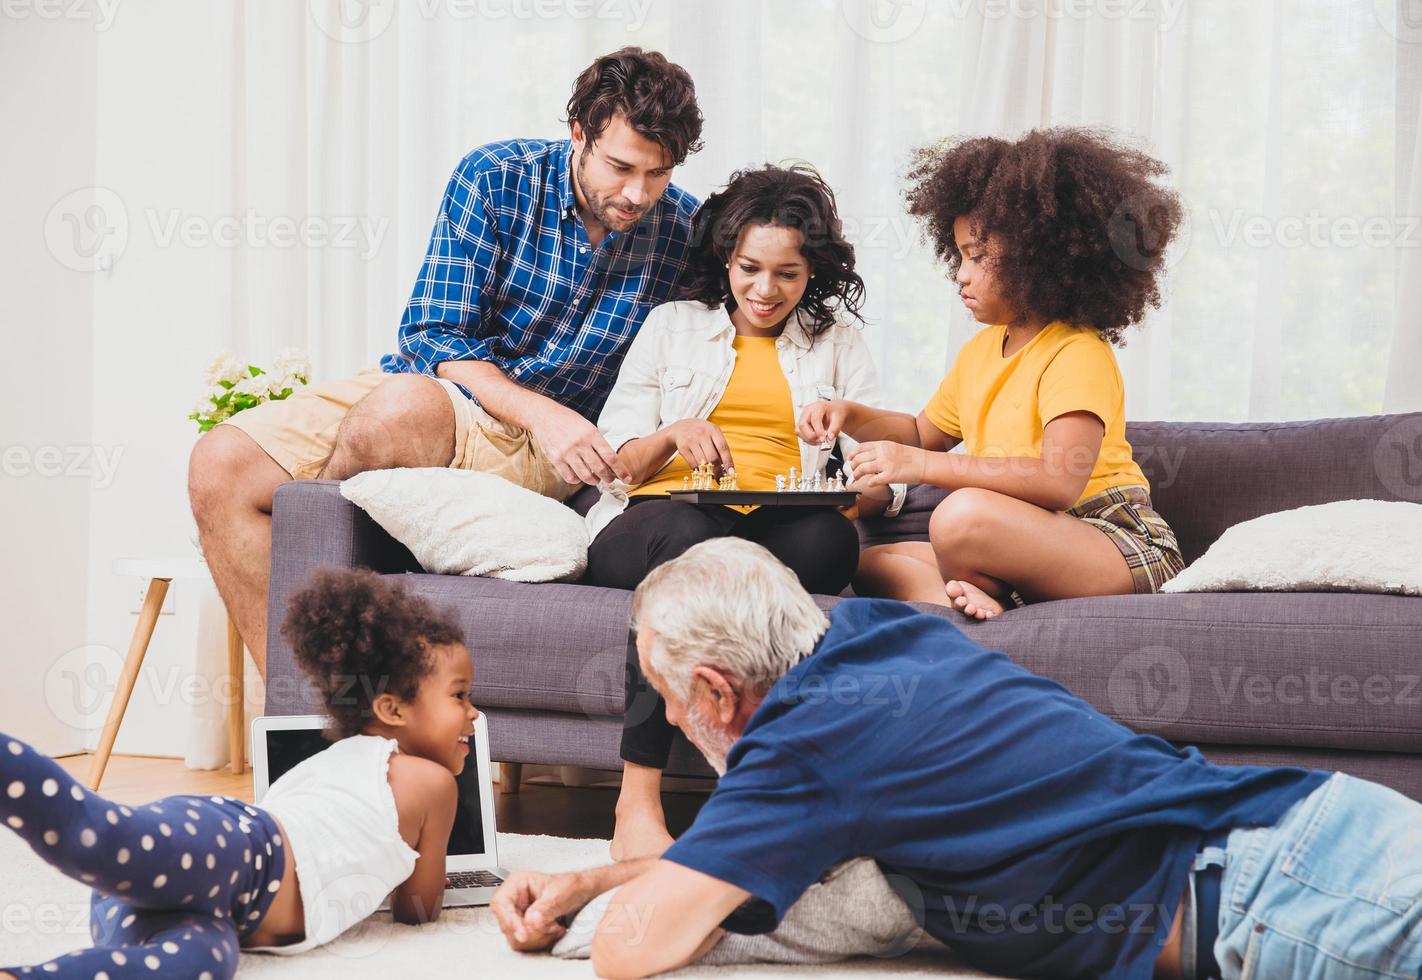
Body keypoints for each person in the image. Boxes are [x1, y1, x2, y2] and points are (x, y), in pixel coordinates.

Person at [492, 538, 1422, 979]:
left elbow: (628, 953)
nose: (667, 711)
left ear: (718, 691)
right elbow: (755, 860)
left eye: (665, 692)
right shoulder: (869, 634)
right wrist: (590, 880)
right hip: (1328, 834)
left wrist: (604, 909)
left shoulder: (803, 752)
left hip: (1290, 906)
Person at [188, 47, 704, 671]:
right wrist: (541, 413)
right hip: (462, 392)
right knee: (220, 463)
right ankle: (305, 712)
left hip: (544, 446)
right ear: (578, 133)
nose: (637, 193)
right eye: (621, 167)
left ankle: (343, 690)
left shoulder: (683, 230)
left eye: (658, 174)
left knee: (397, 413)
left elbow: (744, 316)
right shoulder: (496, 176)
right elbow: (435, 335)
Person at [583, 163, 905, 860]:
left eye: (786, 275)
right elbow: (613, 464)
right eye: (749, 268)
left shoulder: (837, 341)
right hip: (658, 521)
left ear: (811, 270)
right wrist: (673, 434)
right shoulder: (673, 328)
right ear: (725, 259)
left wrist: (852, 483)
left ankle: (771, 797)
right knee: (694, 544)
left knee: (828, 543)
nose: (765, 291)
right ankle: (636, 800)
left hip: (773, 528)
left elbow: (887, 485)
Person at [0, 568, 478, 977]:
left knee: (199, 963)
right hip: (238, 852)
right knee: (90, 834)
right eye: (459, 695)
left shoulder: (333, 762)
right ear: (391, 709)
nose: (474, 713)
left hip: (214, 897)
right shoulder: (432, 784)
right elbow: (418, 908)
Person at [801, 128, 1186, 619]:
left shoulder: (1076, 351)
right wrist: (849, 413)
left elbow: (1059, 481)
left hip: (1108, 538)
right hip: (1025, 535)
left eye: (978, 257)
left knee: (960, 516)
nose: (961, 273)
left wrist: (918, 467)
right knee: (874, 560)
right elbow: (922, 434)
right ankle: (988, 602)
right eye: (960, 254)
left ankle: (993, 598)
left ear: (1038, 260)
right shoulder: (980, 351)